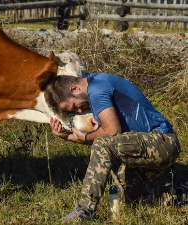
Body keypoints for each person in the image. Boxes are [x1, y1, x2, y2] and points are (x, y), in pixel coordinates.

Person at [45, 73, 181, 222]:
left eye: (73, 106)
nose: (78, 111)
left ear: (74, 88)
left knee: (101, 144)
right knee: (132, 199)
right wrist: (68, 137)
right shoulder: (99, 82)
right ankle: (181, 194)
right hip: (151, 145)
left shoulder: (96, 89)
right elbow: (113, 137)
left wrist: (84, 137)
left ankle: (85, 209)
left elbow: (111, 132)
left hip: (162, 141)